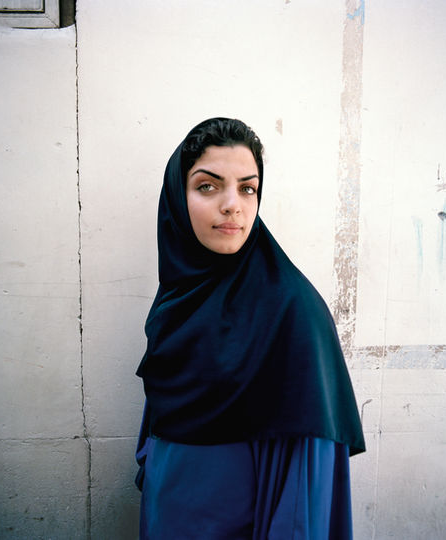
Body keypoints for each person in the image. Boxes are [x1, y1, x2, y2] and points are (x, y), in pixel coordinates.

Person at [135, 118, 365, 539]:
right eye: (208, 186)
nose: (232, 205)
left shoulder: (292, 313)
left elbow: (303, 494)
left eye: (247, 188)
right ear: (176, 198)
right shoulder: (178, 299)